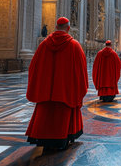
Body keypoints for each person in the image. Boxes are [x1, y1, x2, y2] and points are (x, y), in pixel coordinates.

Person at [26, 17, 88, 151]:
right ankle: (62, 138)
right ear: (68, 28)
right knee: (63, 118)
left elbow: (33, 68)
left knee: (45, 115)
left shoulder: (43, 44)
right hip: (66, 94)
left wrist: (40, 86)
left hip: (45, 94)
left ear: (56, 27)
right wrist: (80, 89)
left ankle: (42, 137)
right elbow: (81, 71)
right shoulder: (74, 45)